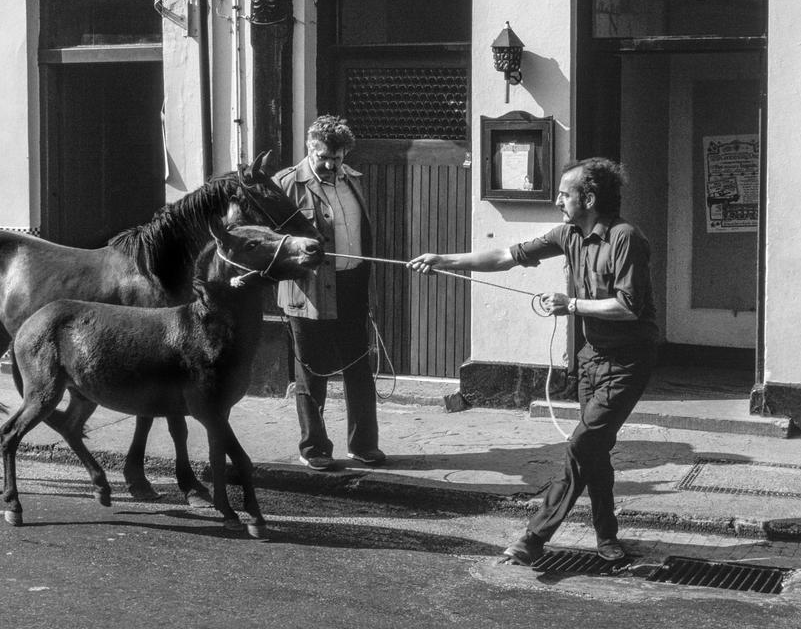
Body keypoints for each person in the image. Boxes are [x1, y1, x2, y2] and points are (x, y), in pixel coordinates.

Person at [408, 157, 658, 564]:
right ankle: (607, 537)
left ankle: (534, 538)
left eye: (564, 194)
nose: (558, 201)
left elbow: (629, 307)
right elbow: (506, 256)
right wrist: (443, 260)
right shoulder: (568, 234)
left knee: (582, 443)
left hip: (628, 362)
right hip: (591, 357)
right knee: (594, 449)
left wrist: (571, 304)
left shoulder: (625, 238)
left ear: (589, 197)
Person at [274, 115, 385, 471]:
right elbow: (268, 240)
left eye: (336, 158)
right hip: (307, 291)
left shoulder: (354, 181)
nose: (330, 164)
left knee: (359, 367)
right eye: (323, 156)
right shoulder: (287, 184)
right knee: (312, 370)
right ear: (310, 146)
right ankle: (314, 448)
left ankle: (364, 445)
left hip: (353, 285)